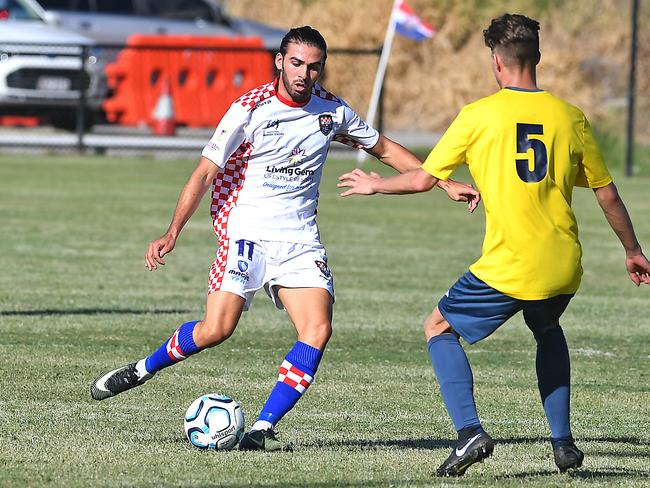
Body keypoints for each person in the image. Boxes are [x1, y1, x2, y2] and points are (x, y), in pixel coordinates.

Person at [90, 25, 479, 451]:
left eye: (314, 67)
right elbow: (205, 172)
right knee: (216, 330)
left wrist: (443, 183)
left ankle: (261, 428)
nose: (304, 74)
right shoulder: (250, 108)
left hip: (300, 239)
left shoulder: (331, 111)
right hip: (246, 234)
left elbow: (384, 148)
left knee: (317, 329)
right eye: (296, 63)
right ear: (279, 61)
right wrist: (173, 230)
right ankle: (142, 369)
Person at [338, 13, 650, 476]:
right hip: (564, 264)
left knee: (438, 328)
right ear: (537, 59)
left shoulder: (478, 116)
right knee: (546, 328)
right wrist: (632, 250)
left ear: (496, 62)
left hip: (511, 264)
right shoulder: (571, 118)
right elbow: (606, 193)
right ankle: (563, 445)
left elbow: (424, 179)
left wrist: (375, 184)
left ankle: (469, 435)